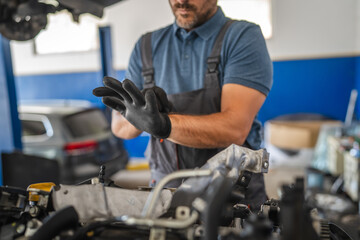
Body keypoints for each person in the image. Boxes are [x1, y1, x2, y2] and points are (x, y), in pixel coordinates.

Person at [93, 0, 273, 210]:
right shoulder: (147, 46)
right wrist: (142, 114)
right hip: (165, 194)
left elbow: (234, 128)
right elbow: (121, 127)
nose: (181, 1)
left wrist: (164, 124)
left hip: (233, 198)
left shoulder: (242, 37)